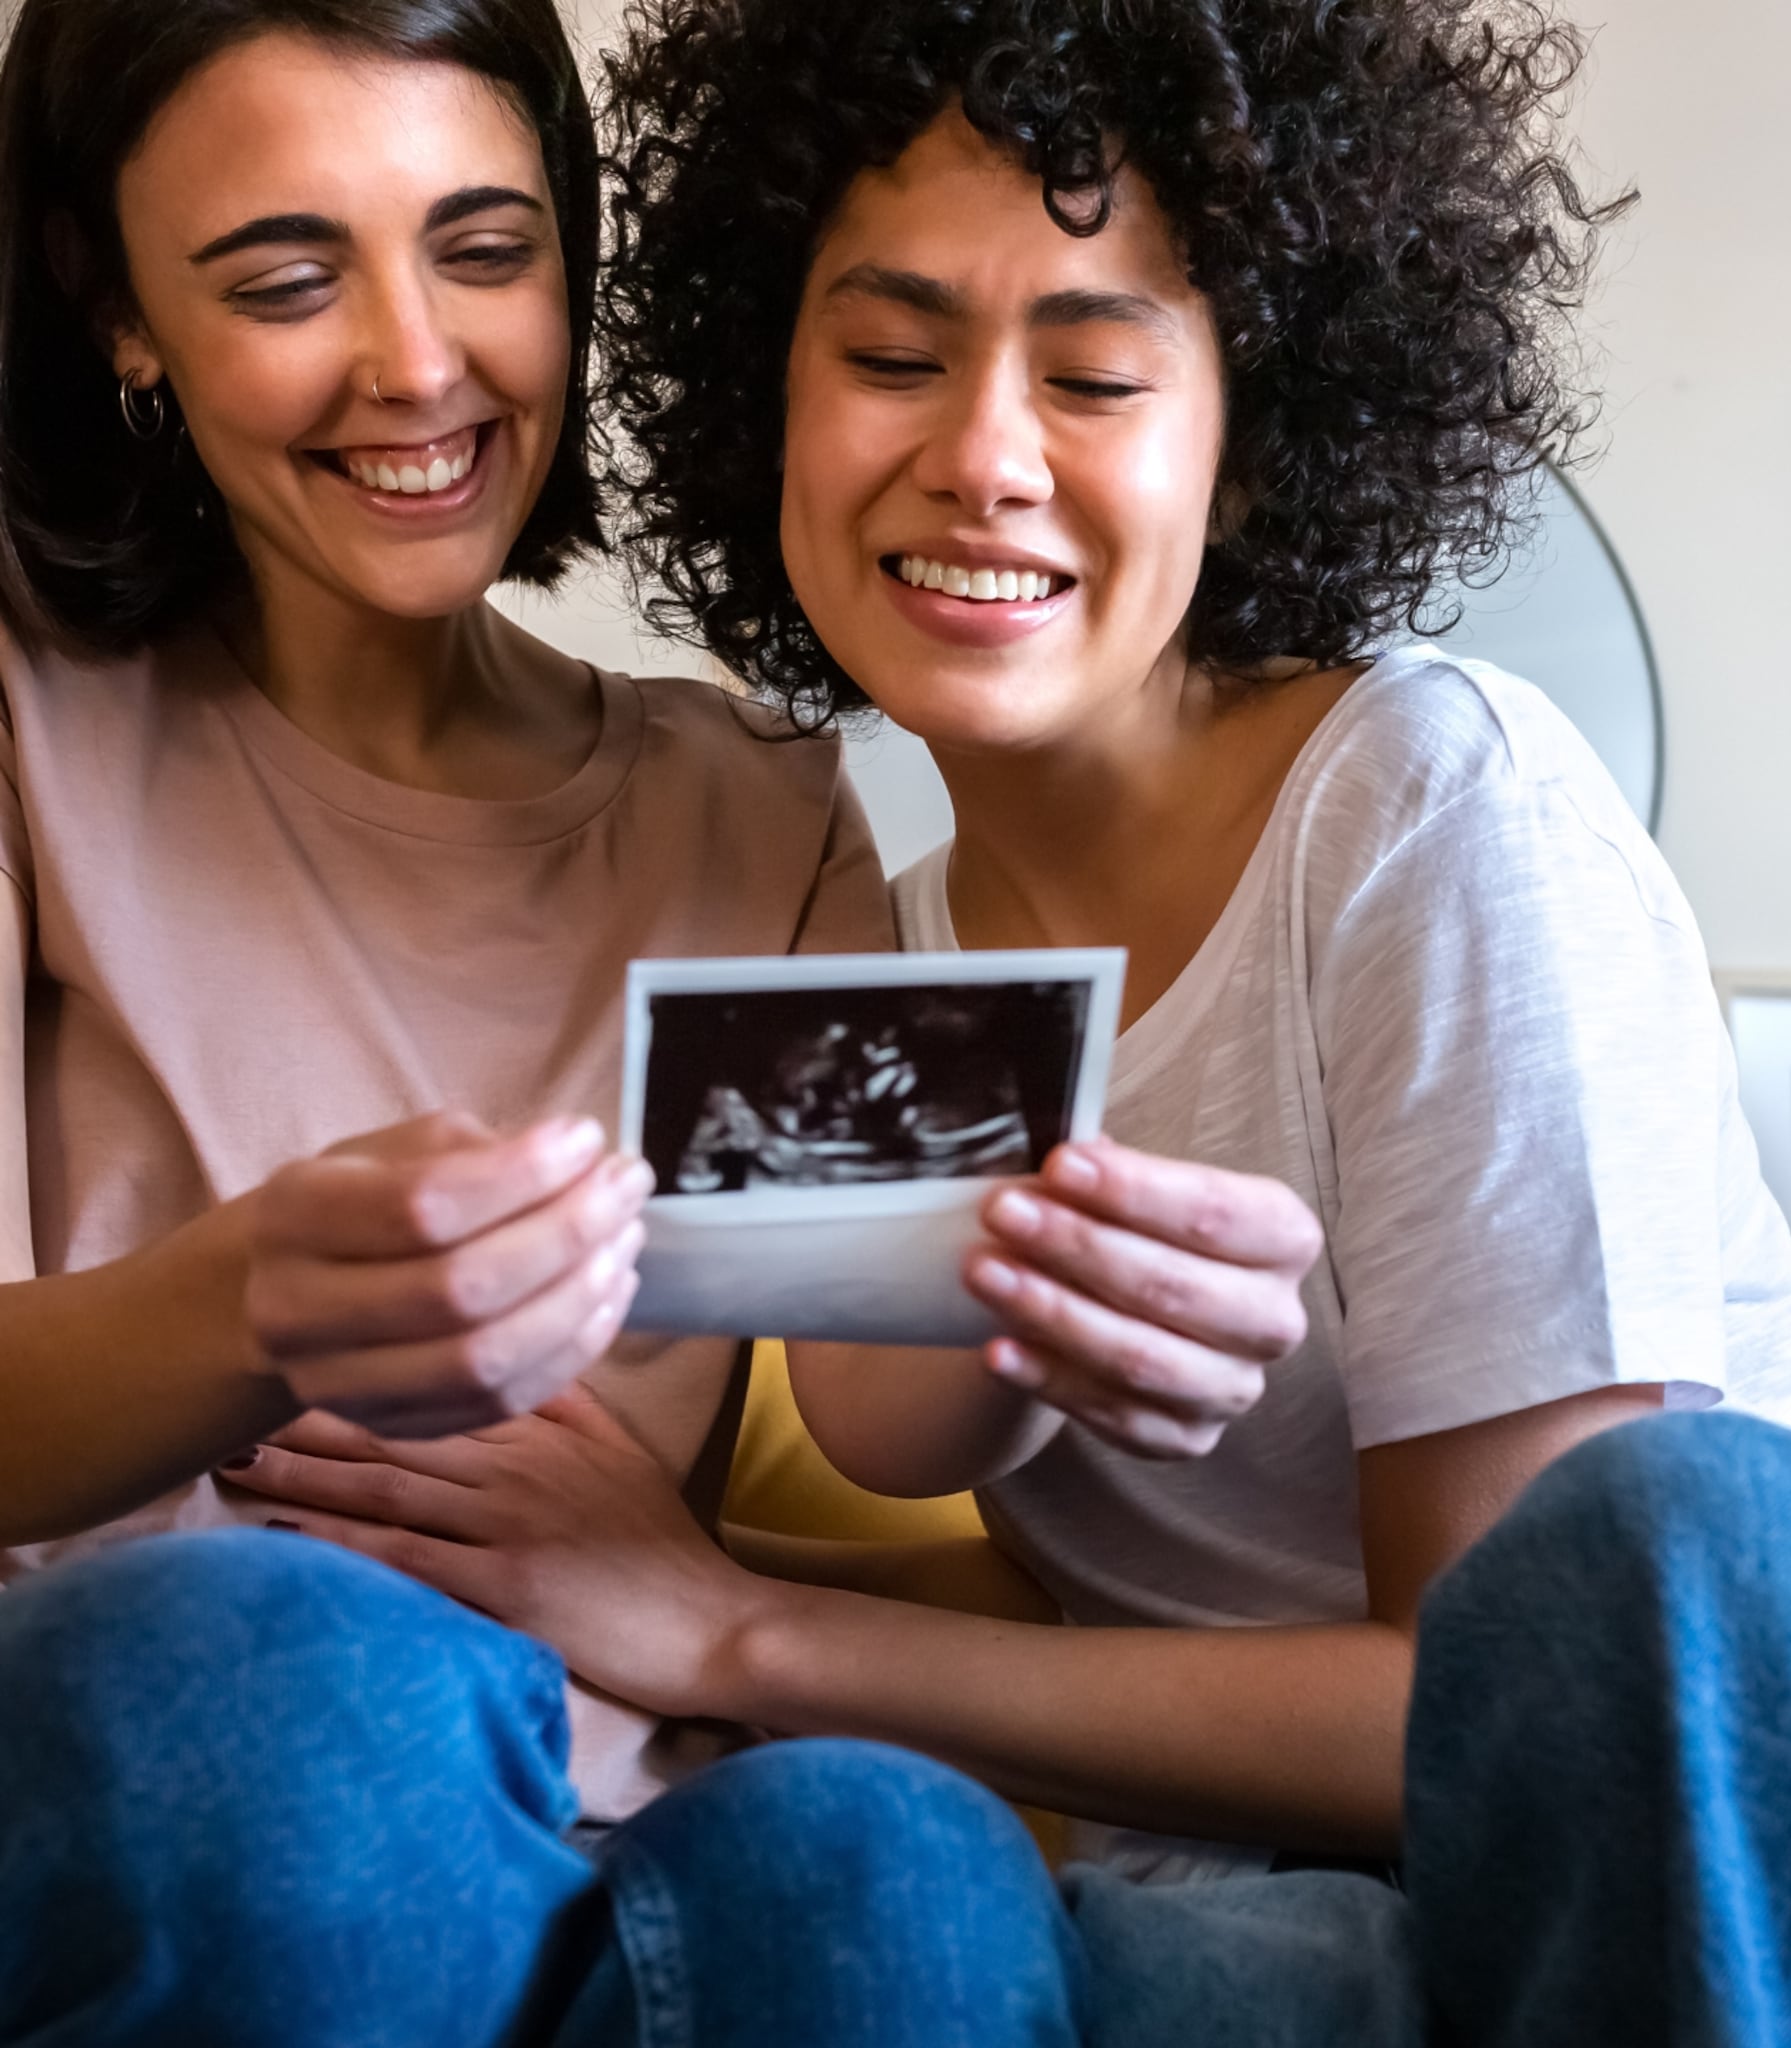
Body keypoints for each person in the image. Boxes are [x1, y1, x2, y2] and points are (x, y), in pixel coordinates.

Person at [218, 0, 1791, 2039]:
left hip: (1720, 1848)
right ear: (764, 402)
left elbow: (1512, 1705)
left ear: (1248, 448)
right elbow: (901, 1435)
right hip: (1269, 1927)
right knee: (807, 1892)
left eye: (1092, 372)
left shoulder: (1433, 803)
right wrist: (677, 1559)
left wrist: (744, 1621)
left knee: (1658, 1528)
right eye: (892, 357)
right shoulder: (870, 963)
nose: (980, 455)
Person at [0, 0, 1321, 2040]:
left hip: (627, 1826)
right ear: (119, 317)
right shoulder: (35, 727)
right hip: (203, 1773)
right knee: (273, 1666)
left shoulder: (755, 797)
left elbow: (881, 1409)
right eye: (282, 277)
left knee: (896, 1850)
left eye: (486, 247)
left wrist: (1028, 1295)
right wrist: (251, 1300)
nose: (417, 362)